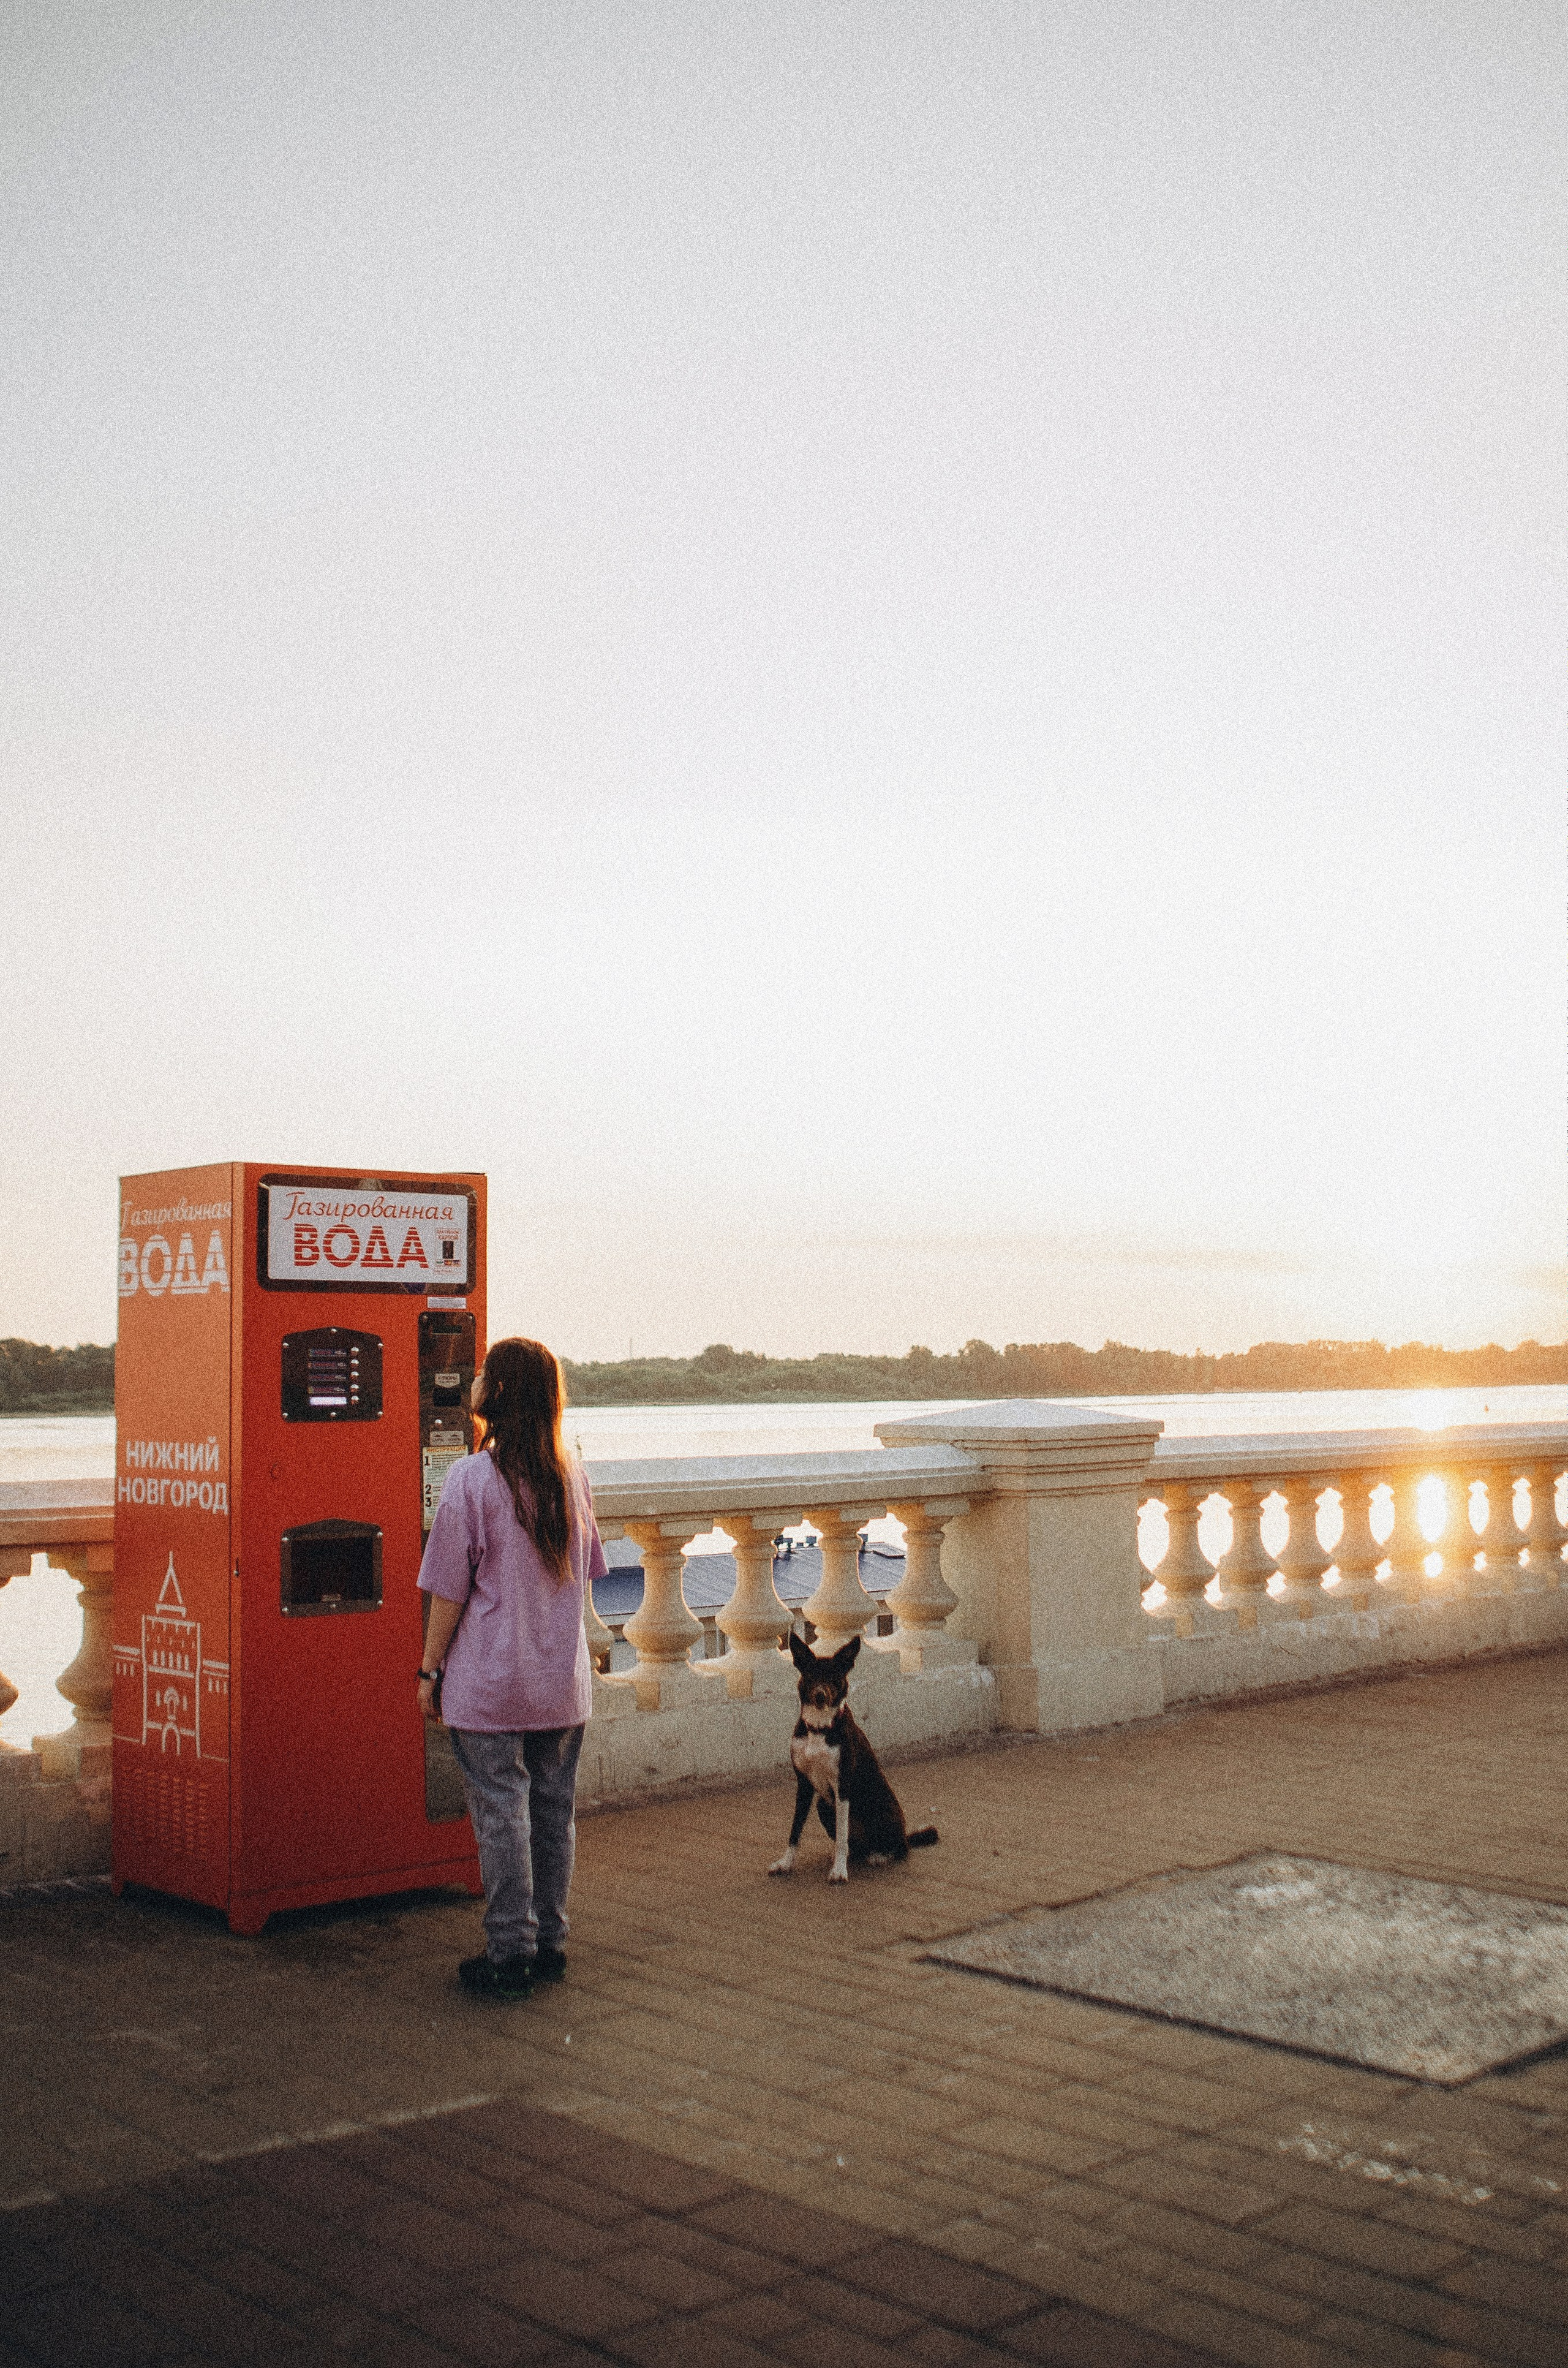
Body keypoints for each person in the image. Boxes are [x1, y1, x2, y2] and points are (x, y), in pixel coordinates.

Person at [417, 1335, 607, 2000]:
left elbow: (448, 1589)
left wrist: (428, 1669)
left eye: (481, 1376)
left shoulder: (472, 1478)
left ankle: (509, 1952)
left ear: (495, 1395)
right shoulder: (571, 1472)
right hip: (560, 1682)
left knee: (501, 1814)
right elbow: (586, 1572)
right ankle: (549, 1944)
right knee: (554, 1813)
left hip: (490, 1681)